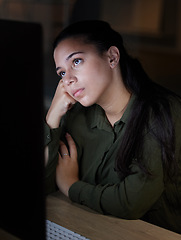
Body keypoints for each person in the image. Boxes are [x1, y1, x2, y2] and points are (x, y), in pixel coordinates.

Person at [44, 20, 181, 233]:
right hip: (88, 229)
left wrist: (71, 186)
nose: (67, 80)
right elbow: (43, 185)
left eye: (77, 61)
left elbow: (130, 202)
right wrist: (52, 117)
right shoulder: (78, 116)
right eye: (61, 73)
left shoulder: (162, 113)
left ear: (112, 57)